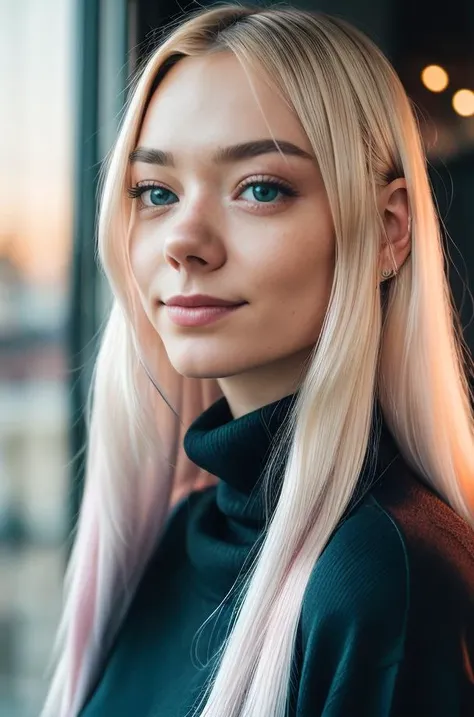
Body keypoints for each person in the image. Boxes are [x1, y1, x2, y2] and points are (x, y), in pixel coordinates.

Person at [42, 3, 474, 716]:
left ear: (388, 231)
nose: (184, 241)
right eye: (156, 192)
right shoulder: (182, 536)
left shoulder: (388, 584)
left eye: (260, 189)